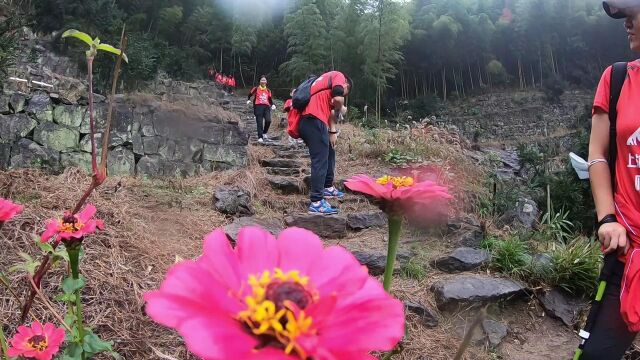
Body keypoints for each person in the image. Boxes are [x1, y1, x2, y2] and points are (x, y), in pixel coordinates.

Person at [581, 1, 640, 358]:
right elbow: (598, 154)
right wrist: (607, 218)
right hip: (627, 248)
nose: (625, 25)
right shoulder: (617, 78)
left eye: (632, 14)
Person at [298, 71, 352, 215]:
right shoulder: (339, 76)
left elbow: (329, 114)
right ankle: (316, 201)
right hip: (314, 121)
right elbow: (338, 99)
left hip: (310, 122)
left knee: (329, 151)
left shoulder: (322, 85)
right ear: (346, 84)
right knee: (320, 161)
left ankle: (327, 187)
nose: (345, 94)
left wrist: (332, 132)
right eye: (347, 91)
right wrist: (341, 108)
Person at [247, 76, 276, 143]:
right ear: (259, 81)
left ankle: (264, 132)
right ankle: (260, 137)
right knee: (259, 122)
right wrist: (248, 100)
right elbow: (249, 94)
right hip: (258, 106)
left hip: (266, 107)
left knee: (268, 120)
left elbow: (269, 99)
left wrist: (273, 104)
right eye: (262, 80)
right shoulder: (256, 88)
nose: (263, 81)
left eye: (264, 80)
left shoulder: (268, 90)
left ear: (266, 82)